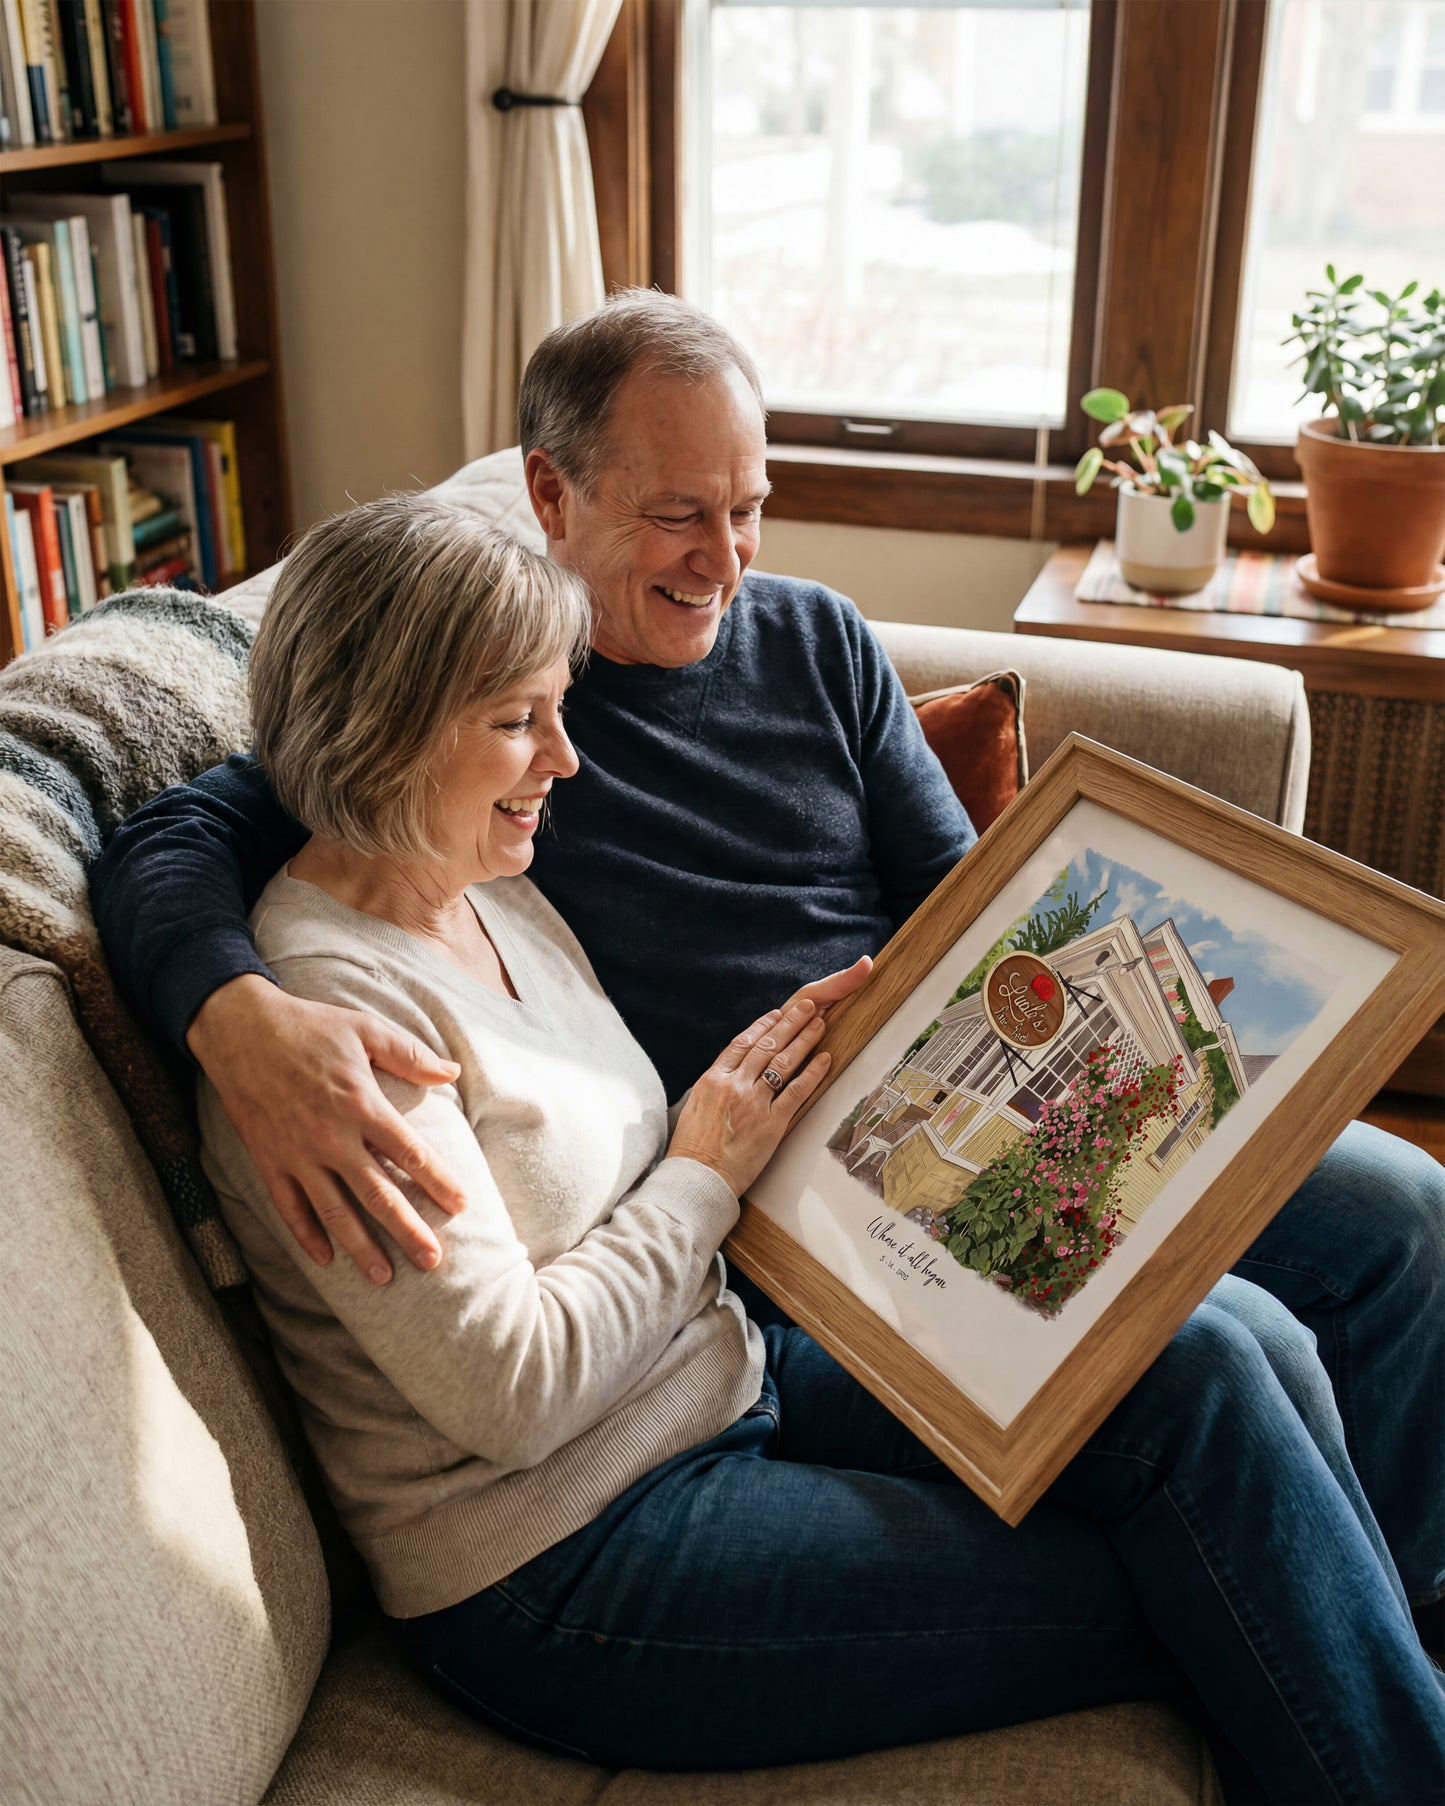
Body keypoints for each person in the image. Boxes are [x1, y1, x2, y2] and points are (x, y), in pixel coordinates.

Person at [91, 293, 1443, 1767]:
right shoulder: (454, 733)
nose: (726, 559)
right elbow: (179, 825)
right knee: (1212, 1500)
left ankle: (1392, 1625)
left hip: (894, 1143)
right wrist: (230, 1011)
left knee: (1390, 1222)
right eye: (681, 513)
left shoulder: (679, 728)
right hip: (753, 1265)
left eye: (749, 507)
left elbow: (963, 908)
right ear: (551, 493)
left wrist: (1124, 1027)